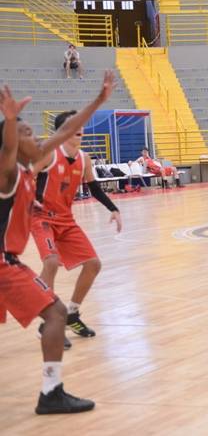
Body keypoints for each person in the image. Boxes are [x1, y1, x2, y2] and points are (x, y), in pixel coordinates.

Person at [0, 72, 116, 415]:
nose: (35, 137)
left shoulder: (27, 170)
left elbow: (65, 131)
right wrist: (10, 121)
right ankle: (51, 393)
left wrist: (99, 101)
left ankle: (52, 392)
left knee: (58, 309)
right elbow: (7, 148)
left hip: (10, 260)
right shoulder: (7, 171)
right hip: (3, 263)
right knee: (56, 313)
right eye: (27, 133)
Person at [31, 110, 123, 349]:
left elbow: (94, 188)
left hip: (66, 219)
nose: (80, 128)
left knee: (93, 264)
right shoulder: (49, 153)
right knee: (51, 262)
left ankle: (71, 314)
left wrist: (113, 208)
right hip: (42, 218)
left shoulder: (84, 158)